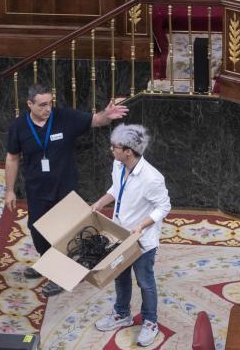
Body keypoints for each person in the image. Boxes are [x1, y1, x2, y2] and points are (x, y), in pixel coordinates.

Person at [4, 84, 129, 297]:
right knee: (38, 231)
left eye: (50, 103)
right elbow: (12, 158)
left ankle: (60, 275)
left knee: (67, 233)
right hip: (37, 189)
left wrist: (107, 114)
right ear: (29, 105)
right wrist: (9, 190)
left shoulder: (65, 117)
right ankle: (48, 262)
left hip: (65, 189)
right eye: (42, 105)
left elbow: (95, 120)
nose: (48, 109)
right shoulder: (19, 127)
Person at [91, 124, 171, 347]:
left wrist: (142, 226)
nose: (111, 149)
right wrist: (99, 203)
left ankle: (150, 322)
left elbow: (164, 206)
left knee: (145, 282)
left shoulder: (152, 178)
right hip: (119, 235)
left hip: (142, 240)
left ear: (128, 150)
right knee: (120, 274)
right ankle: (122, 314)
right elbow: (116, 188)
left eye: (115, 146)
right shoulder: (118, 165)